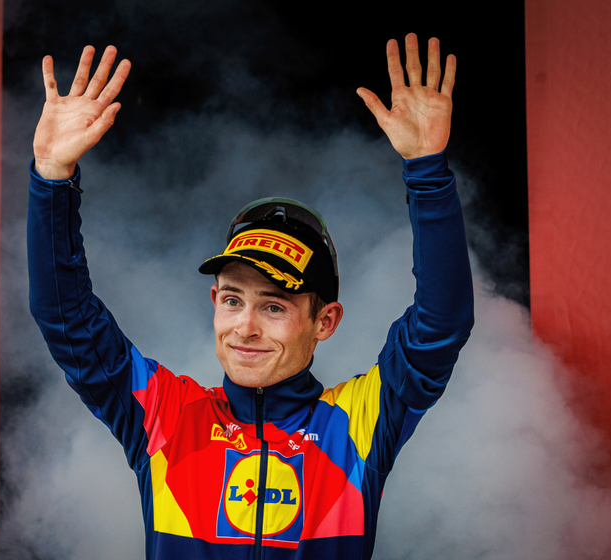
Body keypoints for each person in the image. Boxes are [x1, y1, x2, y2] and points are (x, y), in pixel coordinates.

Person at [28, 33, 473, 560]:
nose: (246, 327)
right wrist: (52, 178)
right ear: (213, 301)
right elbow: (65, 319)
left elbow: (441, 323)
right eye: (233, 299)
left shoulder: (359, 421)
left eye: (275, 306)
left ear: (325, 321)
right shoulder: (167, 416)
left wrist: (427, 172)